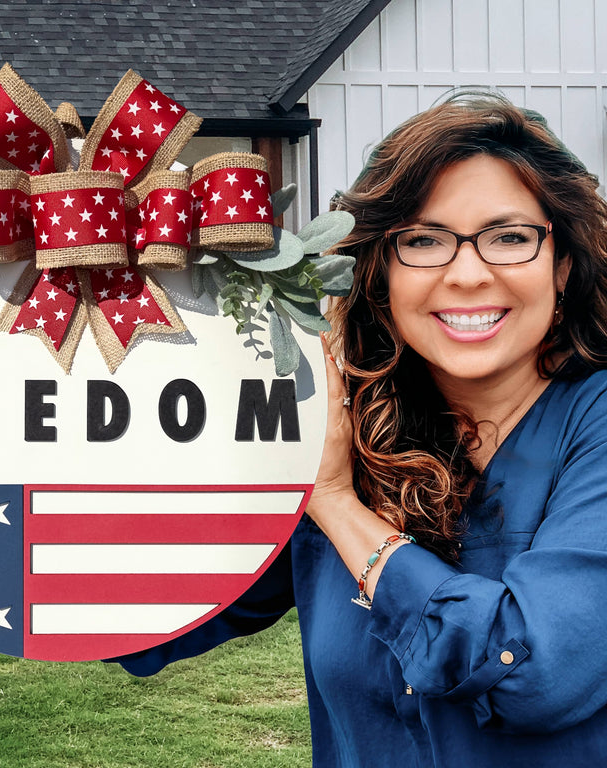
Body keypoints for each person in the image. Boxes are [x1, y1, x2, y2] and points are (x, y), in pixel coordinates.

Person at [114, 92, 607, 765]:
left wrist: (338, 505)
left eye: (510, 237)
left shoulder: (592, 426)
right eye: (424, 240)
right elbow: (142, 618)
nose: (467, 274)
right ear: (380, 273)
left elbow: (532, 673)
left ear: (563, 263)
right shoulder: (347, 424)